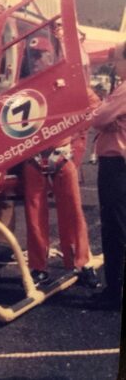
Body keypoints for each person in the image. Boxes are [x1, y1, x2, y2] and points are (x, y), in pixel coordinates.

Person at [23, 38, 101, 288]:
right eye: (32, 55)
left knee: (73, 211)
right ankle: (38, 267)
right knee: (34, 214)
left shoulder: (67, 83)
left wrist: (76, 141)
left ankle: (80, 262)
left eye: (41, 55)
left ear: (53, 56)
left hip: (62, 154)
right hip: (32, 157)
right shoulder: (22, 87)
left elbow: (94, 108)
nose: (36, 60)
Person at [91, 42, 126, 311]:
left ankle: (114, 291)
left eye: (116, 61)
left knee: (115, 228)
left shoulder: (123, 90)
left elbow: (99, 117)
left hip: (117, 165)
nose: (114, 66)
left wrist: (108, 118)